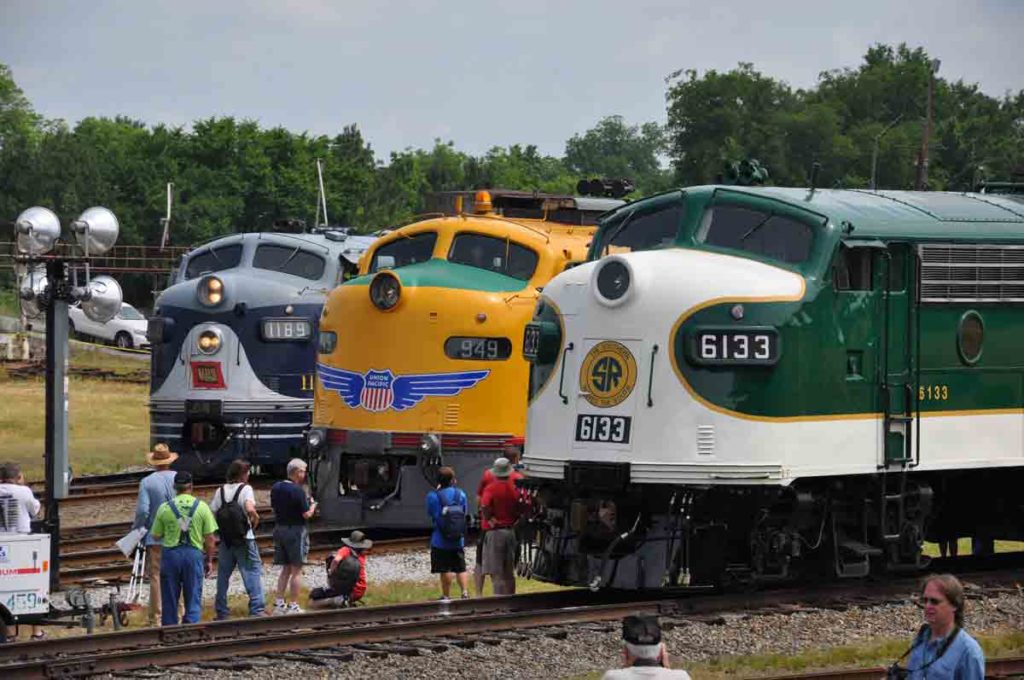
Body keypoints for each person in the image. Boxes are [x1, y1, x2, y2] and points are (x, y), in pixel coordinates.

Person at [149, 471, 218, 626]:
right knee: (193, 595)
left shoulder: (164, 508)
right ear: (191, 486)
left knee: (169, 598)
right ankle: (192, 627)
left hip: (171, 555)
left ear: (175, 487)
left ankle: (171, 629)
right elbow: (210, 539)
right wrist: (209, 560)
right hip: (193, 555)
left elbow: (156, 536)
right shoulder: (202, 507)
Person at [889, 574, 985, 680]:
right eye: (925, 601)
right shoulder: (920, 640)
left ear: (954, 605)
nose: (927, 606)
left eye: (934, 601)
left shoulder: (968, 651)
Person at [210, 459, 265, 619]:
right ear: (242, 474)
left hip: (226, 539)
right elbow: (249, 507)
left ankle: (221, 610)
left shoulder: (220, 491)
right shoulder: (246, 489)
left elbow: (212, 510)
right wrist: (255, 518)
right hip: (244, 539)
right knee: (252, 571)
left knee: (223, 575)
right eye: (247, 472)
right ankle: (257, 608)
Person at [131, 443, 177, 625]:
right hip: (178, 535)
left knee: (156, 577)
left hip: (155, 536)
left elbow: (143, 510)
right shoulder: (179, 478)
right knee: (176, 576)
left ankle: (156, 617)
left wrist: (137, 529)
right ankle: (178, 612)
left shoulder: (147, 482)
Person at [0, 462, 45, 640]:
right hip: (23, 543)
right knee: (31, 585)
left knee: (5, 588)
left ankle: (10, 633)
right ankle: (37, 632)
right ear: (19, 477)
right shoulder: (23, 491)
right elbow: (35, 510)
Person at [475, 441, 524, 596]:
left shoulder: (490, 485)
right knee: (509, 572)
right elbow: (525, 503)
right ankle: (510, 601)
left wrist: (488, 518)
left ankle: (497, 602)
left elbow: (483, 504)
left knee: (496, 573)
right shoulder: (518, 480)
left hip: (493, 531)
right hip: (511, 530)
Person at [270, 458, 317, 614]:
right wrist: (313, 505)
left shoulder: (276, 487)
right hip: (296, 530)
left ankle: (278, 603)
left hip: (279, 529)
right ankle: (294, 605)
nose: (304, 474)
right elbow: (306, 515)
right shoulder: (298, 491)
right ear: (297, 472)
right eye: (303, 471)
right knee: (296, 569)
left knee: (285, 569)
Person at [426, 466, 469, 602]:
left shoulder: (433, 496)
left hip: (440, 539)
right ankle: (465, 592)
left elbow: (431, 514)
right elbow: (464, 512)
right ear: (453, 480)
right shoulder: (460, 494)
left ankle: (446, 595)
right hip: (458, 539)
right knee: (460, 567)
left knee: (445, 569)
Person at [602, 614, 691, 679]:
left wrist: (626, 666)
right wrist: (667, 668)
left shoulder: (612, 677)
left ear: (626, 652)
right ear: (661, 652)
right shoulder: (681, 677)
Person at [309, 530, 372, 608]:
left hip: (346, 589)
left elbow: (336, 560)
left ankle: (339, 600)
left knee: (313, 599)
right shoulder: (362, 556)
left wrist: (331, 572)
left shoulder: (345, 550)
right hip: (359, 591)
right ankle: (346, 599)